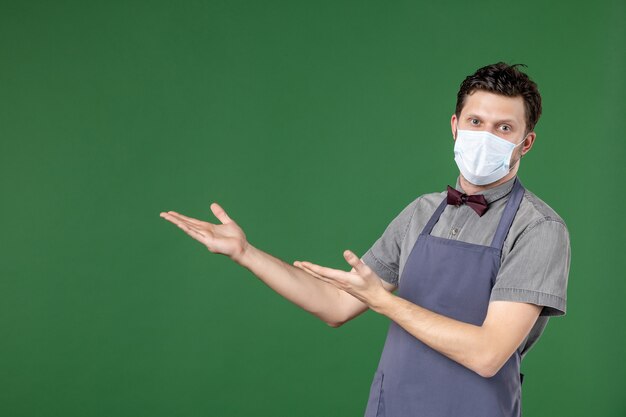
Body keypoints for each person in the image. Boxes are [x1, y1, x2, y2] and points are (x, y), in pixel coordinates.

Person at [160, 62, 570, 417]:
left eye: (504, 128)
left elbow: (487, 354)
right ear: (455, 126)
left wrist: (385, 301)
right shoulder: (422, 212)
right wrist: (246, 253)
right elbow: (336, 304)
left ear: (525, 142)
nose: (485, 136)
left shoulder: (538, 229)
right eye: (476, 122)